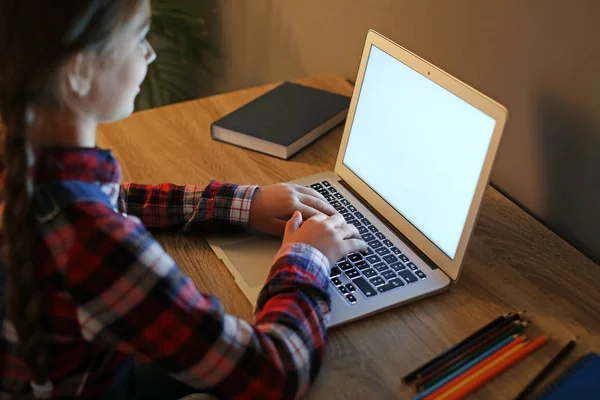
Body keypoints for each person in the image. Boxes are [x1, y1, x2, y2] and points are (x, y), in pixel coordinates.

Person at [0, 0, 367, 398]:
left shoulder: (28, 161)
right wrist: (307, 257)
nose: (150, 53)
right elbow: (274, 372)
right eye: (140, 37)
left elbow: (115, 199)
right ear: (80, 71)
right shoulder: (91, 242)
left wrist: (244, 204)